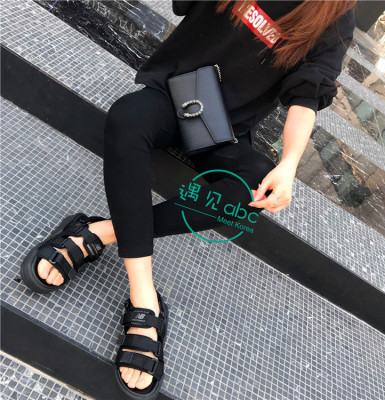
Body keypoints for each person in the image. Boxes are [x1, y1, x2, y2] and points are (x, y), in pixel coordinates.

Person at [20, 1, 357, 399]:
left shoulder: (334, 14)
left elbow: (307, 96)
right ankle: (145, 300)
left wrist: (289, 164)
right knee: (128, 117)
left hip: (223, 128)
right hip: (172, 95)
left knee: (251, 188)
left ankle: (98, 233)